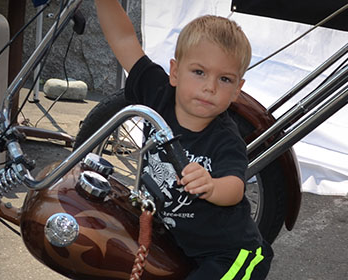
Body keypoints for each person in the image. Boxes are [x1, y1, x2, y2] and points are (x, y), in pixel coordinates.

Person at [95, 1, 273, 279]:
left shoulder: (225, 137)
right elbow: (124, 39)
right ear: (175, 72)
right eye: (199, 72)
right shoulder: (158, 94)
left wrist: (212, 186)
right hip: (175, 241)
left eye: (224, 79)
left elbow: (235, 188)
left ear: (238, 90)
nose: (209, 87)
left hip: (230, 254)